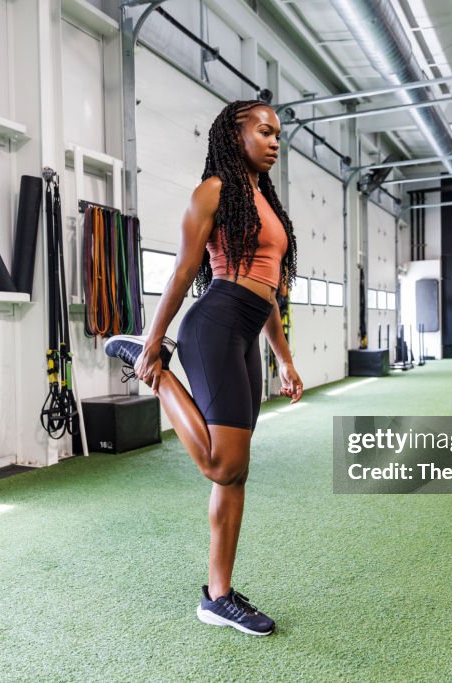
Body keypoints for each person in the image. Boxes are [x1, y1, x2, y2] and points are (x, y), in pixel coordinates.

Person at [105, 99, 303, 636]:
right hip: (214, 323)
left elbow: (272, 295)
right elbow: (183, 270)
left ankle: (218, 596)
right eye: (264, 131)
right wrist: (152, 343)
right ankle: (154, 370)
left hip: (247, 331)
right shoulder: (213, 191)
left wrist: (284, 361)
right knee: (221, 465)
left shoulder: (266, 202)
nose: (274, 141)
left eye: (278, 134)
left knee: (235, 474)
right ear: (234, 134)